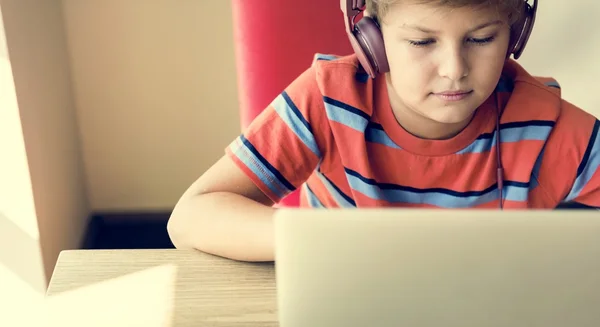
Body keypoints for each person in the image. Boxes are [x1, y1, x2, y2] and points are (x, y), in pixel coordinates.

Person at [167, 0, 600, 262]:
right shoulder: (328, 101)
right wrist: (325, 244)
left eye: (482, 39)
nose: (454, 70)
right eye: (422, 42)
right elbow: (192, 217)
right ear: (369, 35)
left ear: (515, 33)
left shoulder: (543, 122)